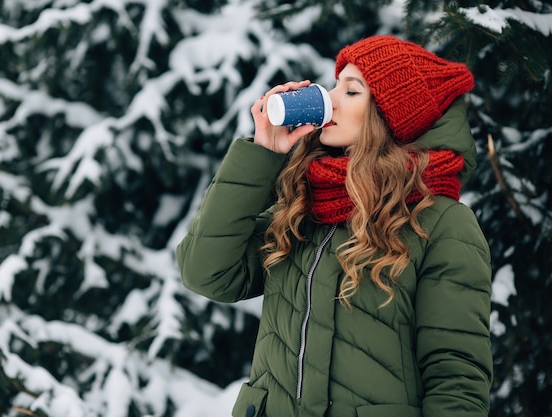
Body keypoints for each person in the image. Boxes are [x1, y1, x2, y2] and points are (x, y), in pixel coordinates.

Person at [177, 35, 493, 417]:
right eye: (335, 84)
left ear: (390, 115)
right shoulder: (304, 206)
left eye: (352, 90)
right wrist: (261, 154)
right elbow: (204, 272)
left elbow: (456, 380)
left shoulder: (442, 224)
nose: (331, 98)